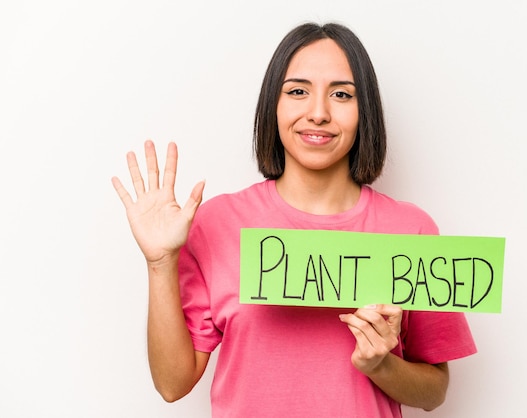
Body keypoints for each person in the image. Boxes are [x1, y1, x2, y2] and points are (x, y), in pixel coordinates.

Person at [112, 22, 476, 417]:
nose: (317, 113)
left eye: (341, 94)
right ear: (274, 104)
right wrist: (160, 263)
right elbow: (172, 384)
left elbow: (434, 392)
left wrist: (381, 364)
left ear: (364, 110)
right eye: (298, 91)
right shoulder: (217, 223)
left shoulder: (413, 230)